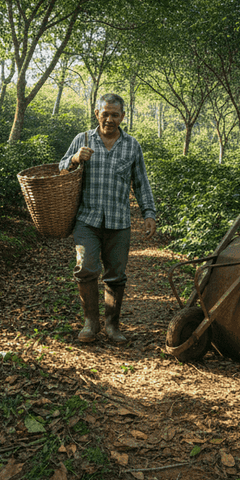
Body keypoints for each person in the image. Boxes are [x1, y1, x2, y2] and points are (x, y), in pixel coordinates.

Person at [58, 93, 156, 343]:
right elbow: (60, 169)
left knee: (116, 275)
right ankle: (91, 323)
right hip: (86, 220)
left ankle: (112, 326)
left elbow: (141, 183)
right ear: (97, 113)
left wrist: (149, 213)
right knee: (86, 267)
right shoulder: (83, 139)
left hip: (119, 222)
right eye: (105, 114)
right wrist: (75, 158)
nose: (109, 119)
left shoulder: (132, 146)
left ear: (123, 117)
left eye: (115, 115)